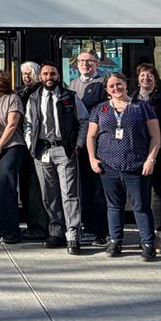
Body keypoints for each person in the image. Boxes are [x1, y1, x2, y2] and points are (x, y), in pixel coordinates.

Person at [87, 72, 161, 261]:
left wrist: (150, 159)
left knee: (141, 206)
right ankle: (115, 241)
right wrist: (92, 158)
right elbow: (91, 136)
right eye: (111, 86)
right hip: (108, 166)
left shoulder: (142, 107)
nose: (116, 89)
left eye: (119, 84)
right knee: (113, 206)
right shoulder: (99, 109)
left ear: (126, 85)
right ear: (107, 90)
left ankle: (147, 243)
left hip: (136, 165)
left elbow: (155, 136)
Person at [23, 61, 88, 254]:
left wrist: (78, 145)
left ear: (58, 76)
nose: (49, 77)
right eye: (45, 74)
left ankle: (73, 234)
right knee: (48, 194)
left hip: (64, 150)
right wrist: (30, 145)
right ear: (40, 77)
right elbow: (28, 124)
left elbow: (84, 120)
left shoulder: (70, 97)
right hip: (42, 150)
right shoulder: (34, 98)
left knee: (69, 194)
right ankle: (56, 230)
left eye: (52, 74)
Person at [131, 63, 161, 254]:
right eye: (143, 75)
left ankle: (157, 236)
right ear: (138, 79)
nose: (146, 79)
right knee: (139, 195)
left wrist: (153, 151)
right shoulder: (130, 99)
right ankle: (144, 235)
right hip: (136, 155)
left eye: (150, 76)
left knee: (157, 194)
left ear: (155, 80)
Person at [68, 50, 109, 247]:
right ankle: (88, 227)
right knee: (84, 189)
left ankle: (101, 232)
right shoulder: (73, 85)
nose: (85, 64)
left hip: (99, 145)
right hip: (80, 146)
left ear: (96, 64)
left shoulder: (102, 84)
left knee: (99, 190)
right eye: (82, 61)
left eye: (89, 61)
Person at [0, 70, 25, 244]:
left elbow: (12, 124)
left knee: (7, 187)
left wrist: (0, 145)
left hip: (11, 147)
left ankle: (11, 231)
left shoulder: (13, 99)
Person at [16, 61, 49, 241]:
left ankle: (39, 226)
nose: (26, 77)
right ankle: (30, 224)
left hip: (38, 146)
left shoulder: (41, 92)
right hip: (24, 146)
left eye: (29, 74)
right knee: (26, 187)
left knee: (37, 187)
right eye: (24, 74)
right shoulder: (21, 92)